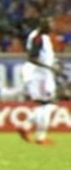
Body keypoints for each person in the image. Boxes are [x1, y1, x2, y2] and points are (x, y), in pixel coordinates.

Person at [16, 16, 62, 146]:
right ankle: (40, 137)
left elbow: (43, 56)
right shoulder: (38, 37)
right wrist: (50, 67)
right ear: (42, 24)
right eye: (49, 23)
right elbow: (31, 57)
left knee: (45, 105)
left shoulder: (42, 37)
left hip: (41, 74)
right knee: (48, 105)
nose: (52, 26)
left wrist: (53, 63)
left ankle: (26, 126)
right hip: (39, 75)